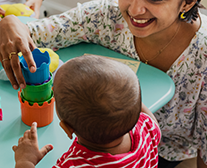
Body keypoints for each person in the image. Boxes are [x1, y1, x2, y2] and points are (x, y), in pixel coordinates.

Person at [0, 0, 207, 168]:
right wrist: (10, 23)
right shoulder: (107, 15)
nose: (135, 9)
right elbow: (40, 32)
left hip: (165, 154)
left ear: (188, 2)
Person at [13, 55, 161, 168]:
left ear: (67, 129)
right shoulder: (147, 128)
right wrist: (124, 97)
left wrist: (26, 161)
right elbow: (145, 115)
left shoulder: (74, 164)